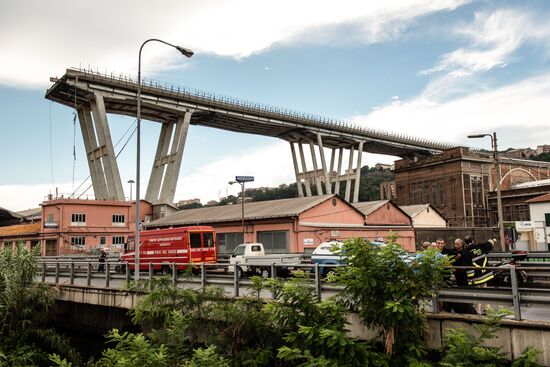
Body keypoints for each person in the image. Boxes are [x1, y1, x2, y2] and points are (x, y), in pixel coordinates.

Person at [444, 238, 477, 314]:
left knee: (465, 288)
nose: (456, 245)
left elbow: (468, 264)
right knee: (456, 289)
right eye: (455, 244)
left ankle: (467, 304)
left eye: (457, 244)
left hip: (464, 274)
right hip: (456, 274)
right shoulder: (453, 252)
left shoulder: (466, 252)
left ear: (461, 244)